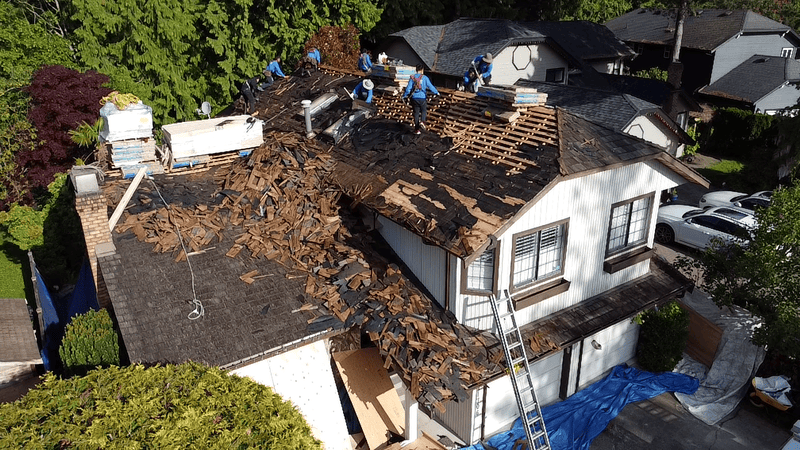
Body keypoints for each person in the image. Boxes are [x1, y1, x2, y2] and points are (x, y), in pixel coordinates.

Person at [402, 64, 439, 134]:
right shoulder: (424, 78)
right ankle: (422, 121)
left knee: (416, 113)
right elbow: (430, 86)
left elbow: (408, 88)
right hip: (422, 97)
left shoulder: (412, 78)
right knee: (424, 110)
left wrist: (404, 95)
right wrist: (436, 92)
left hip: (414, 98)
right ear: (422, 70)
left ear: (416, 69)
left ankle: (417, 130)